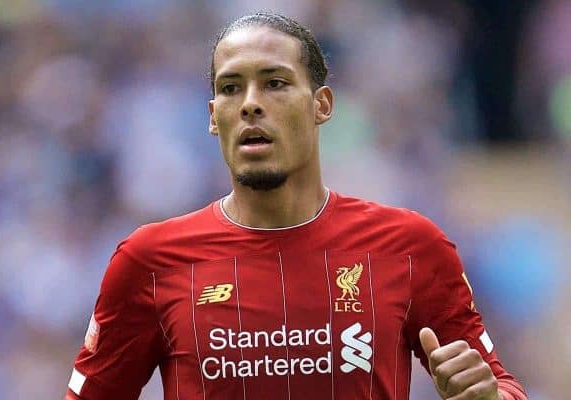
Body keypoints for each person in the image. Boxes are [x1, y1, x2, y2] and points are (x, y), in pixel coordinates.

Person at [65, 12, 527, 400]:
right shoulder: (149, 260)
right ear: (212, 117)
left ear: (321, 105)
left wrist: (488, 396)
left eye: (275, 83)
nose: (249, 105)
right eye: (230, 89)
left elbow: (500, 385)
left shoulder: (409, 246)